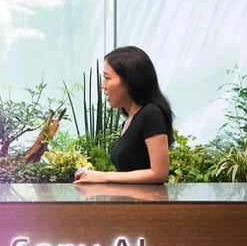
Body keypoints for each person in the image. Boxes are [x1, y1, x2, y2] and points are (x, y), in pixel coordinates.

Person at [74, 46, 173, 184]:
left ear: (130, 82)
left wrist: (103, 176)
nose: (103, 85)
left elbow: (159, 173)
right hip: (128, 203)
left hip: (146, 204)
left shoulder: (151, 114)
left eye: (107, 78)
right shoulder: (128, 121)